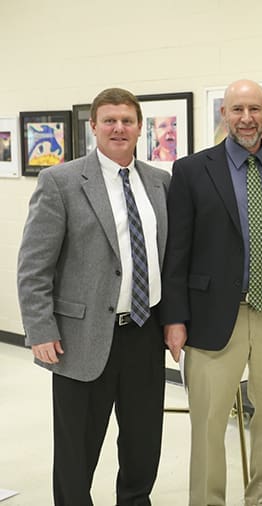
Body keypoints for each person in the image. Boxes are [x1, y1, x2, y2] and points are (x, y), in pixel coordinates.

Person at [16, 87, 169, 506]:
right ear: (94, 126)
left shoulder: (159, 183)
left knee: (142, 445)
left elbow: (165, 258)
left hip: (144, 331)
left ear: (140, 128)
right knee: (76, 452)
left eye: (127, 121)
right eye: (109, 120)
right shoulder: (61, 181)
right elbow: (34, 264)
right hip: (80, 337)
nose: (119, 128)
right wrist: (40, 328)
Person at [160, 79, 262, 506]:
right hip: (212, 315)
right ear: (224, 114)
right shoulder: (191, 170)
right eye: (237, 109)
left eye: (255, 109)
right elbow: (176, 252)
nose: (246, 118)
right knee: (208, 423)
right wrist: (174, 319)